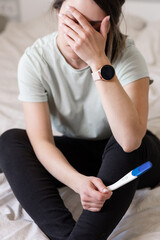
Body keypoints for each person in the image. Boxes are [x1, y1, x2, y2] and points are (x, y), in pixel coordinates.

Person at [0, 0, 160, 239]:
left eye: (93, 26)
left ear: (109, 25)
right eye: (73, 20)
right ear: (57, 13)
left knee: (129, 143)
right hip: (81, 154)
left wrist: (97, 62)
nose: (80, 35)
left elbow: (129, 140)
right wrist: (77, 183)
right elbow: (42, 141)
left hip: (134, 159)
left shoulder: (127, 55)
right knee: (11, 141)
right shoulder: (35, 60)